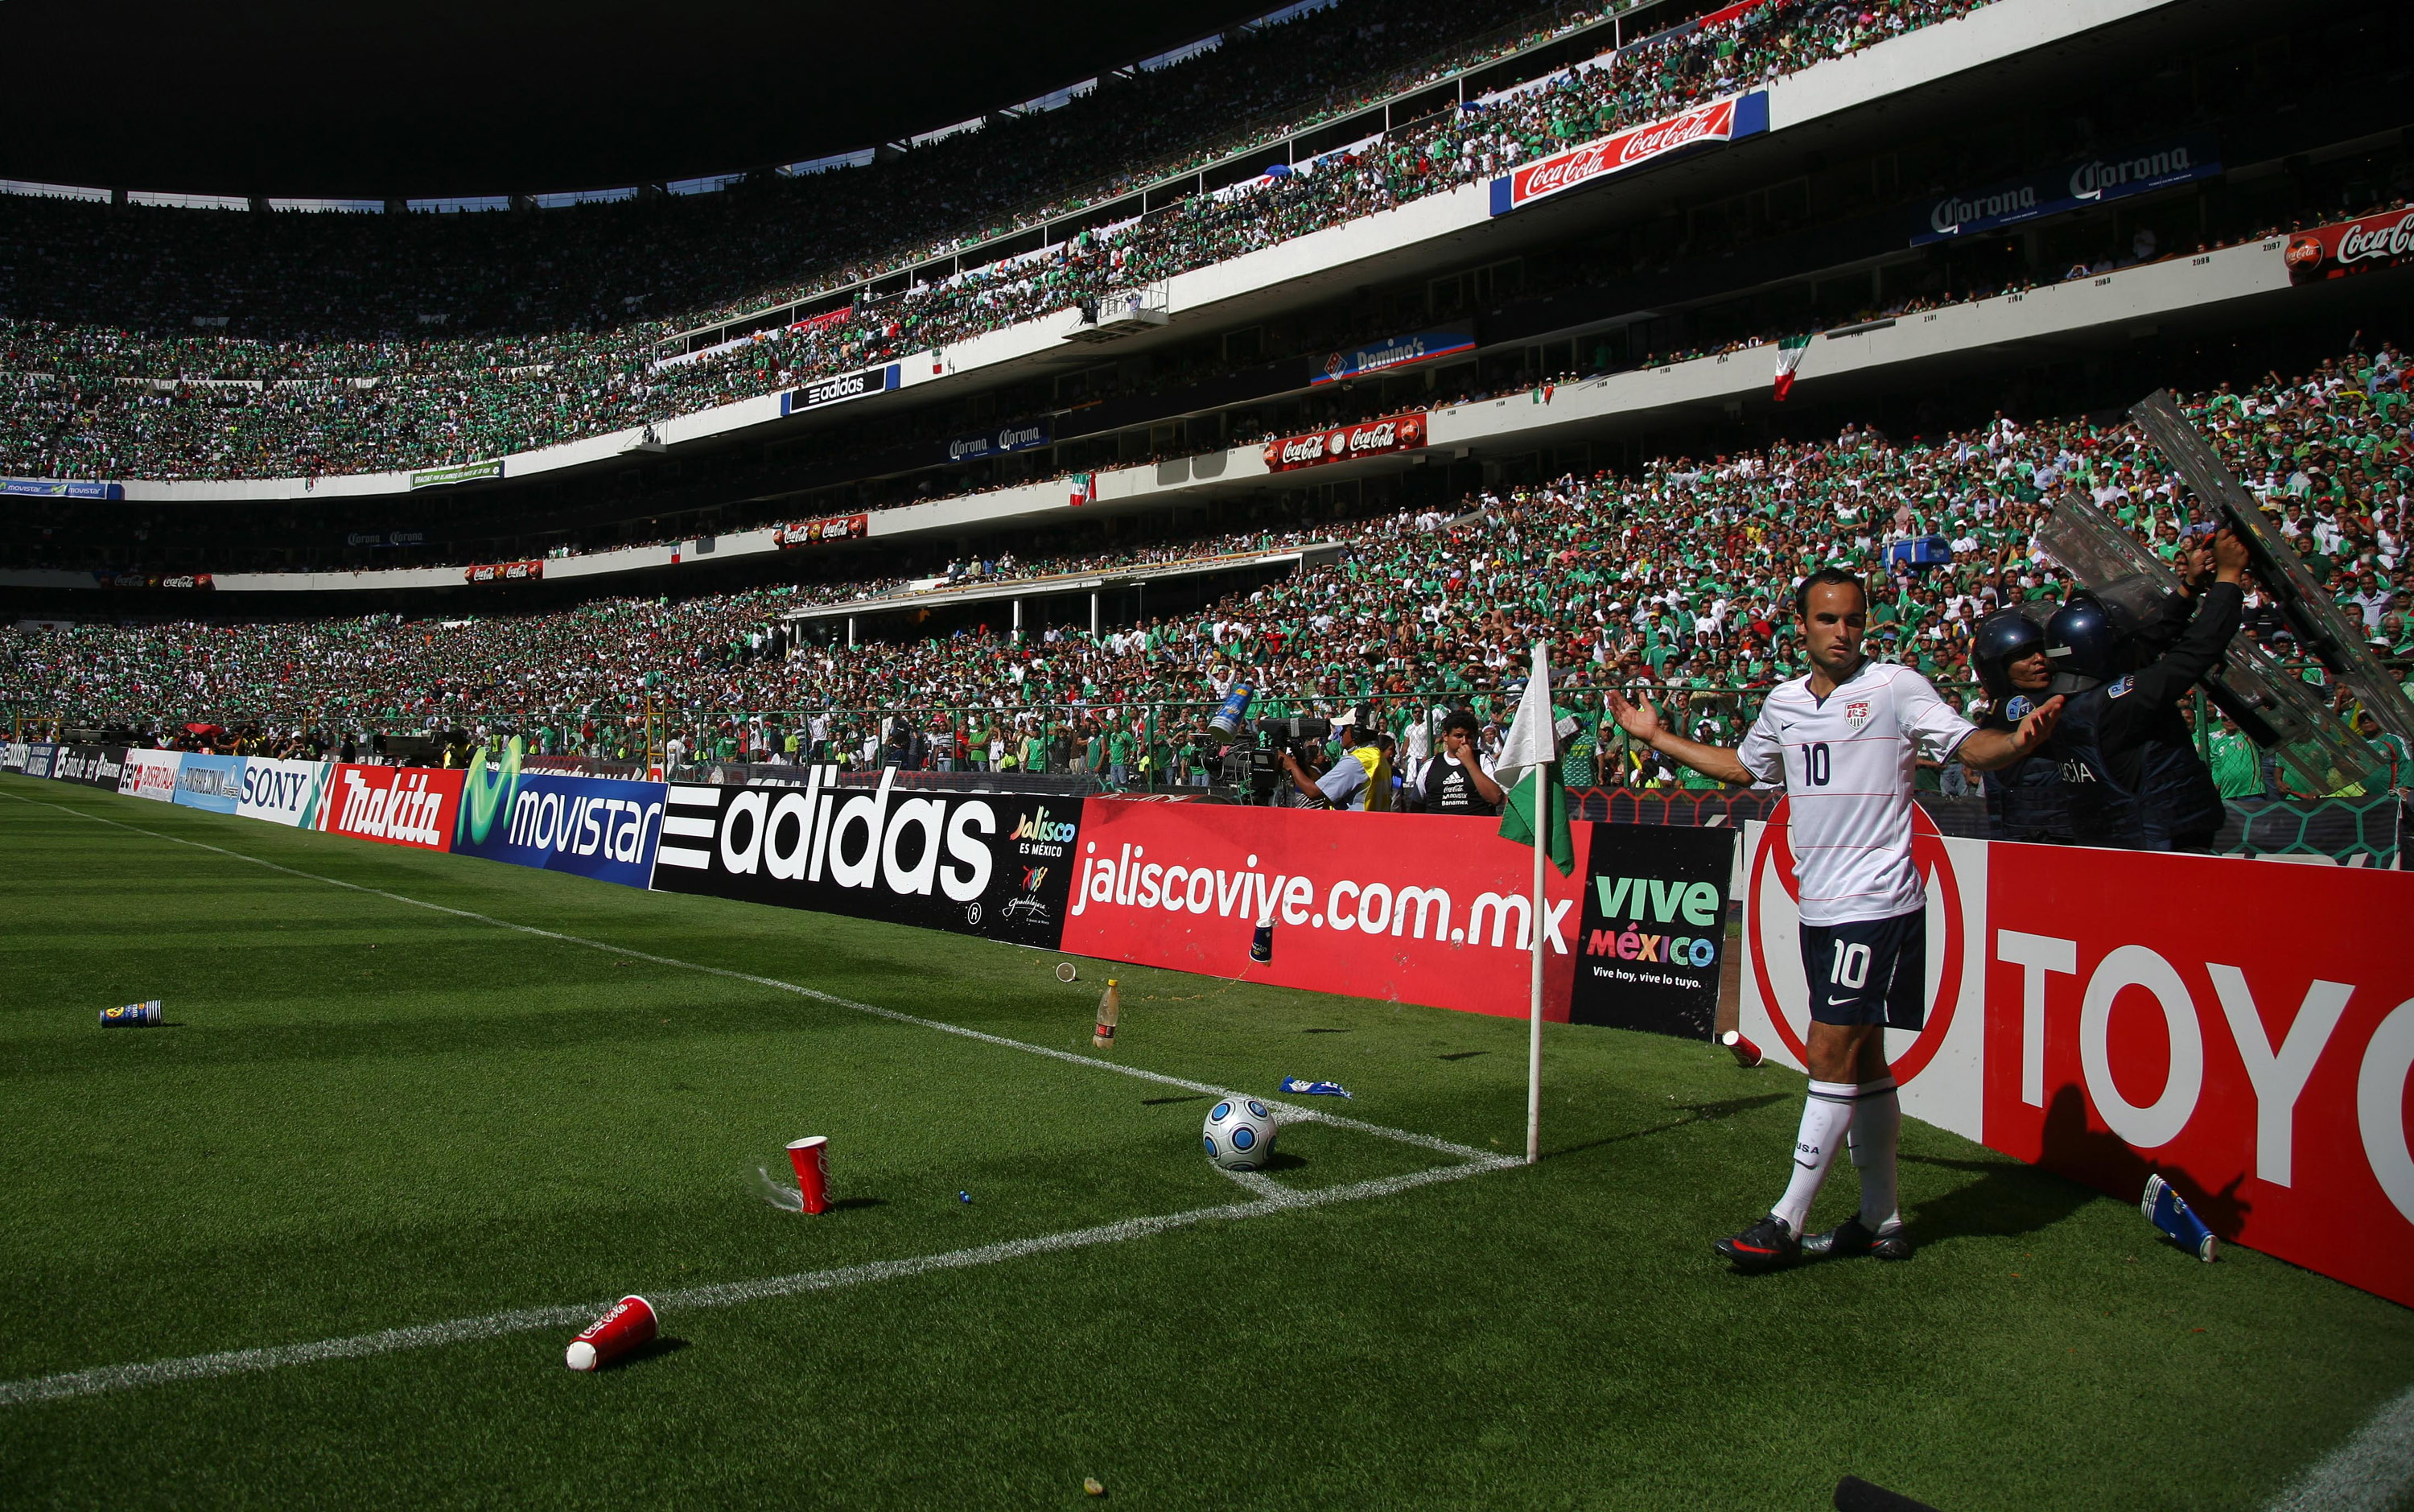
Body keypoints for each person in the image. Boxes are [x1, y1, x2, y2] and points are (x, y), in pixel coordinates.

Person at [1608, 566, 2064, 1271]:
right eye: (1829, 619)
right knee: (1866, 1057)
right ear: (1803, 627)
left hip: (1876, 903)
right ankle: (1881, 1218)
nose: (1844, 631)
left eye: (1854, 619)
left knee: (1827, 1051)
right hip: (1823, 905)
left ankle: (1786, 1221)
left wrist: (2015, 743)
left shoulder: (1896, 688)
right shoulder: (1784, 703)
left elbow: (1968, 743)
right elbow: (1742, 768)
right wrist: (1657, 736)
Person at [2039, 529, 2247, 851]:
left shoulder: (2064, 700)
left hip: (2118, 842)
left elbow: (2144, 643)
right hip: (2159, 848)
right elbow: (2196, 651)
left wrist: (2189, 588)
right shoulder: (2118, 703)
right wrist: (2230, 576)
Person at [1967, 608, 2068, 843]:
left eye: (2039, 650)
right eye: (2024, 655)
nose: (2039, 660)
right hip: (2040, 837)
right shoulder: (2017, 707)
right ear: (1999, 667)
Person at [1280, 711, 1393, 812]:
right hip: (1372, 826)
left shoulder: (1356, 761)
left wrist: (1289, 764)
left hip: (1353, 828)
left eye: (1344, 729)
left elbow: (1313, 792)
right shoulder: (1378, 757)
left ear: (1356, 732)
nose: (1341, 733)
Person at [1422, 707, 1505, 815]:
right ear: (1446, 736)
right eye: (1458, 736)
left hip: (1474, 828)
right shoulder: (1430, 765)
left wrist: (1470, 763)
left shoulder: (1483, 760)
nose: (1464, 742)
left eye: (1469, 737)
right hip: (1439, 828)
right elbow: (1417, 804)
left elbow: (1496, 798)